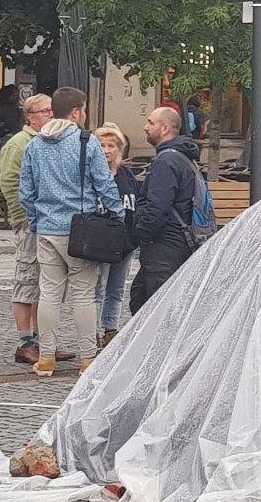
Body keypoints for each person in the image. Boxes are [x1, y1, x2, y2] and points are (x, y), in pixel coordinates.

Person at [18, 87, 123, 375]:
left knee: (49, 294)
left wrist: (36, 220)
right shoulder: (85, 141)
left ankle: (46, 358)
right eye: (84, 110)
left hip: (46, 230)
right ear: (76, 112)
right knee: (83, 295)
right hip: (81, 230)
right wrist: (118, 214)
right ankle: (88, 358)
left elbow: (25, 192)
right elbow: (103, 183)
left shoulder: (35, 145)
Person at [0, 94, 54, 365]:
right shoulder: (19, 144)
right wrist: (24, 218)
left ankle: (42, 341)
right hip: (30, 223)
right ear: (31, 117)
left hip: (47, 222)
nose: (51, 116)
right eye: (45, 111)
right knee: (26, 281)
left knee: (43, 286)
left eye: (52, 111)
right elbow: (9, 182)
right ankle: (25, 342)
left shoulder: (45, 141)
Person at [131, 106, 200, 314]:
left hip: (164, 245)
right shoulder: (184, 158)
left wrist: (141, 232)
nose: (145, 127)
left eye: (151, 123)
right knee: (139, 298)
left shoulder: (167, 161)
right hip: (177, 242)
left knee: (155, 309)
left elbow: (158, 206)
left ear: (165, 129)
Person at [92, 123, 137, 349]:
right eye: (101, 145)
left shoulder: (127, 175)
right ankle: (94, 332)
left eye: (111, 146)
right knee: (98, 289)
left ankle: (110, 328)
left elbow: (135, 205)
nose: (107, 150)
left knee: (117, 289)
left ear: (119, 149)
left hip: (125, 243)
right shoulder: (91, 176)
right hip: (100, 243)